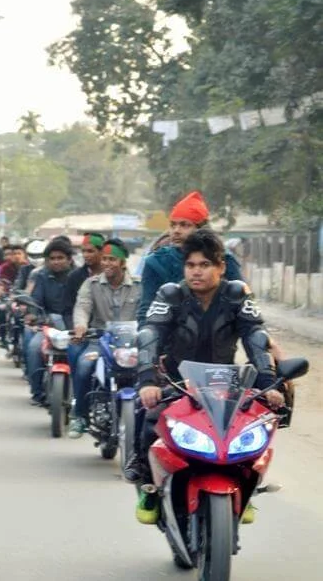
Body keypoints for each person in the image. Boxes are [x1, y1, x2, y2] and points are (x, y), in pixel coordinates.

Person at [129, 229, 284, 524]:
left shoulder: (237, 294)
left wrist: (268, 382)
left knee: (253, 427)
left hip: (226, 383)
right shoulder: (170, 294)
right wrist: (148, 381)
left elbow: (255, 335)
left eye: (204, 265)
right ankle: (148, 485)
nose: (196, 272)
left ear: (221, 266)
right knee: (148, 416)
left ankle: (246, 487)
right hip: (175, 382)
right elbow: (151, 333)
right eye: (190, 265)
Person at [68, 239, 141, 438]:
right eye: (105, 259)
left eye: (112, 259)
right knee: (84, 365)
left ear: (123, 263)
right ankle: (80, 416)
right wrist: (81, 326)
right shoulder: (91, 284)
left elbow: (146, 312)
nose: (107, 263)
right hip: (99, 341)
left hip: (131, 343)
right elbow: (82, 307)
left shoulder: (139, 285)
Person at [136, 191, 242, 326]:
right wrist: (147, 335)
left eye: (184, 225)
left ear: (201, 229)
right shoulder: (155, 262)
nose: (176, 231)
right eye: (173, 225)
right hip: (168, 335)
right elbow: (146, 311)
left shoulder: (223, 260)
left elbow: (243, 307)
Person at [25, 236, 75, 405]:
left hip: (75, 328)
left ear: (69, 259)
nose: (56, 262)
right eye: (52, 258)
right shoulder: (41, 276)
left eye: (60, 258)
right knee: (33, 348)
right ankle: (37, 391)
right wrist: (33, 315)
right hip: (49, 326)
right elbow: (35, 300)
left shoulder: (80, 277)